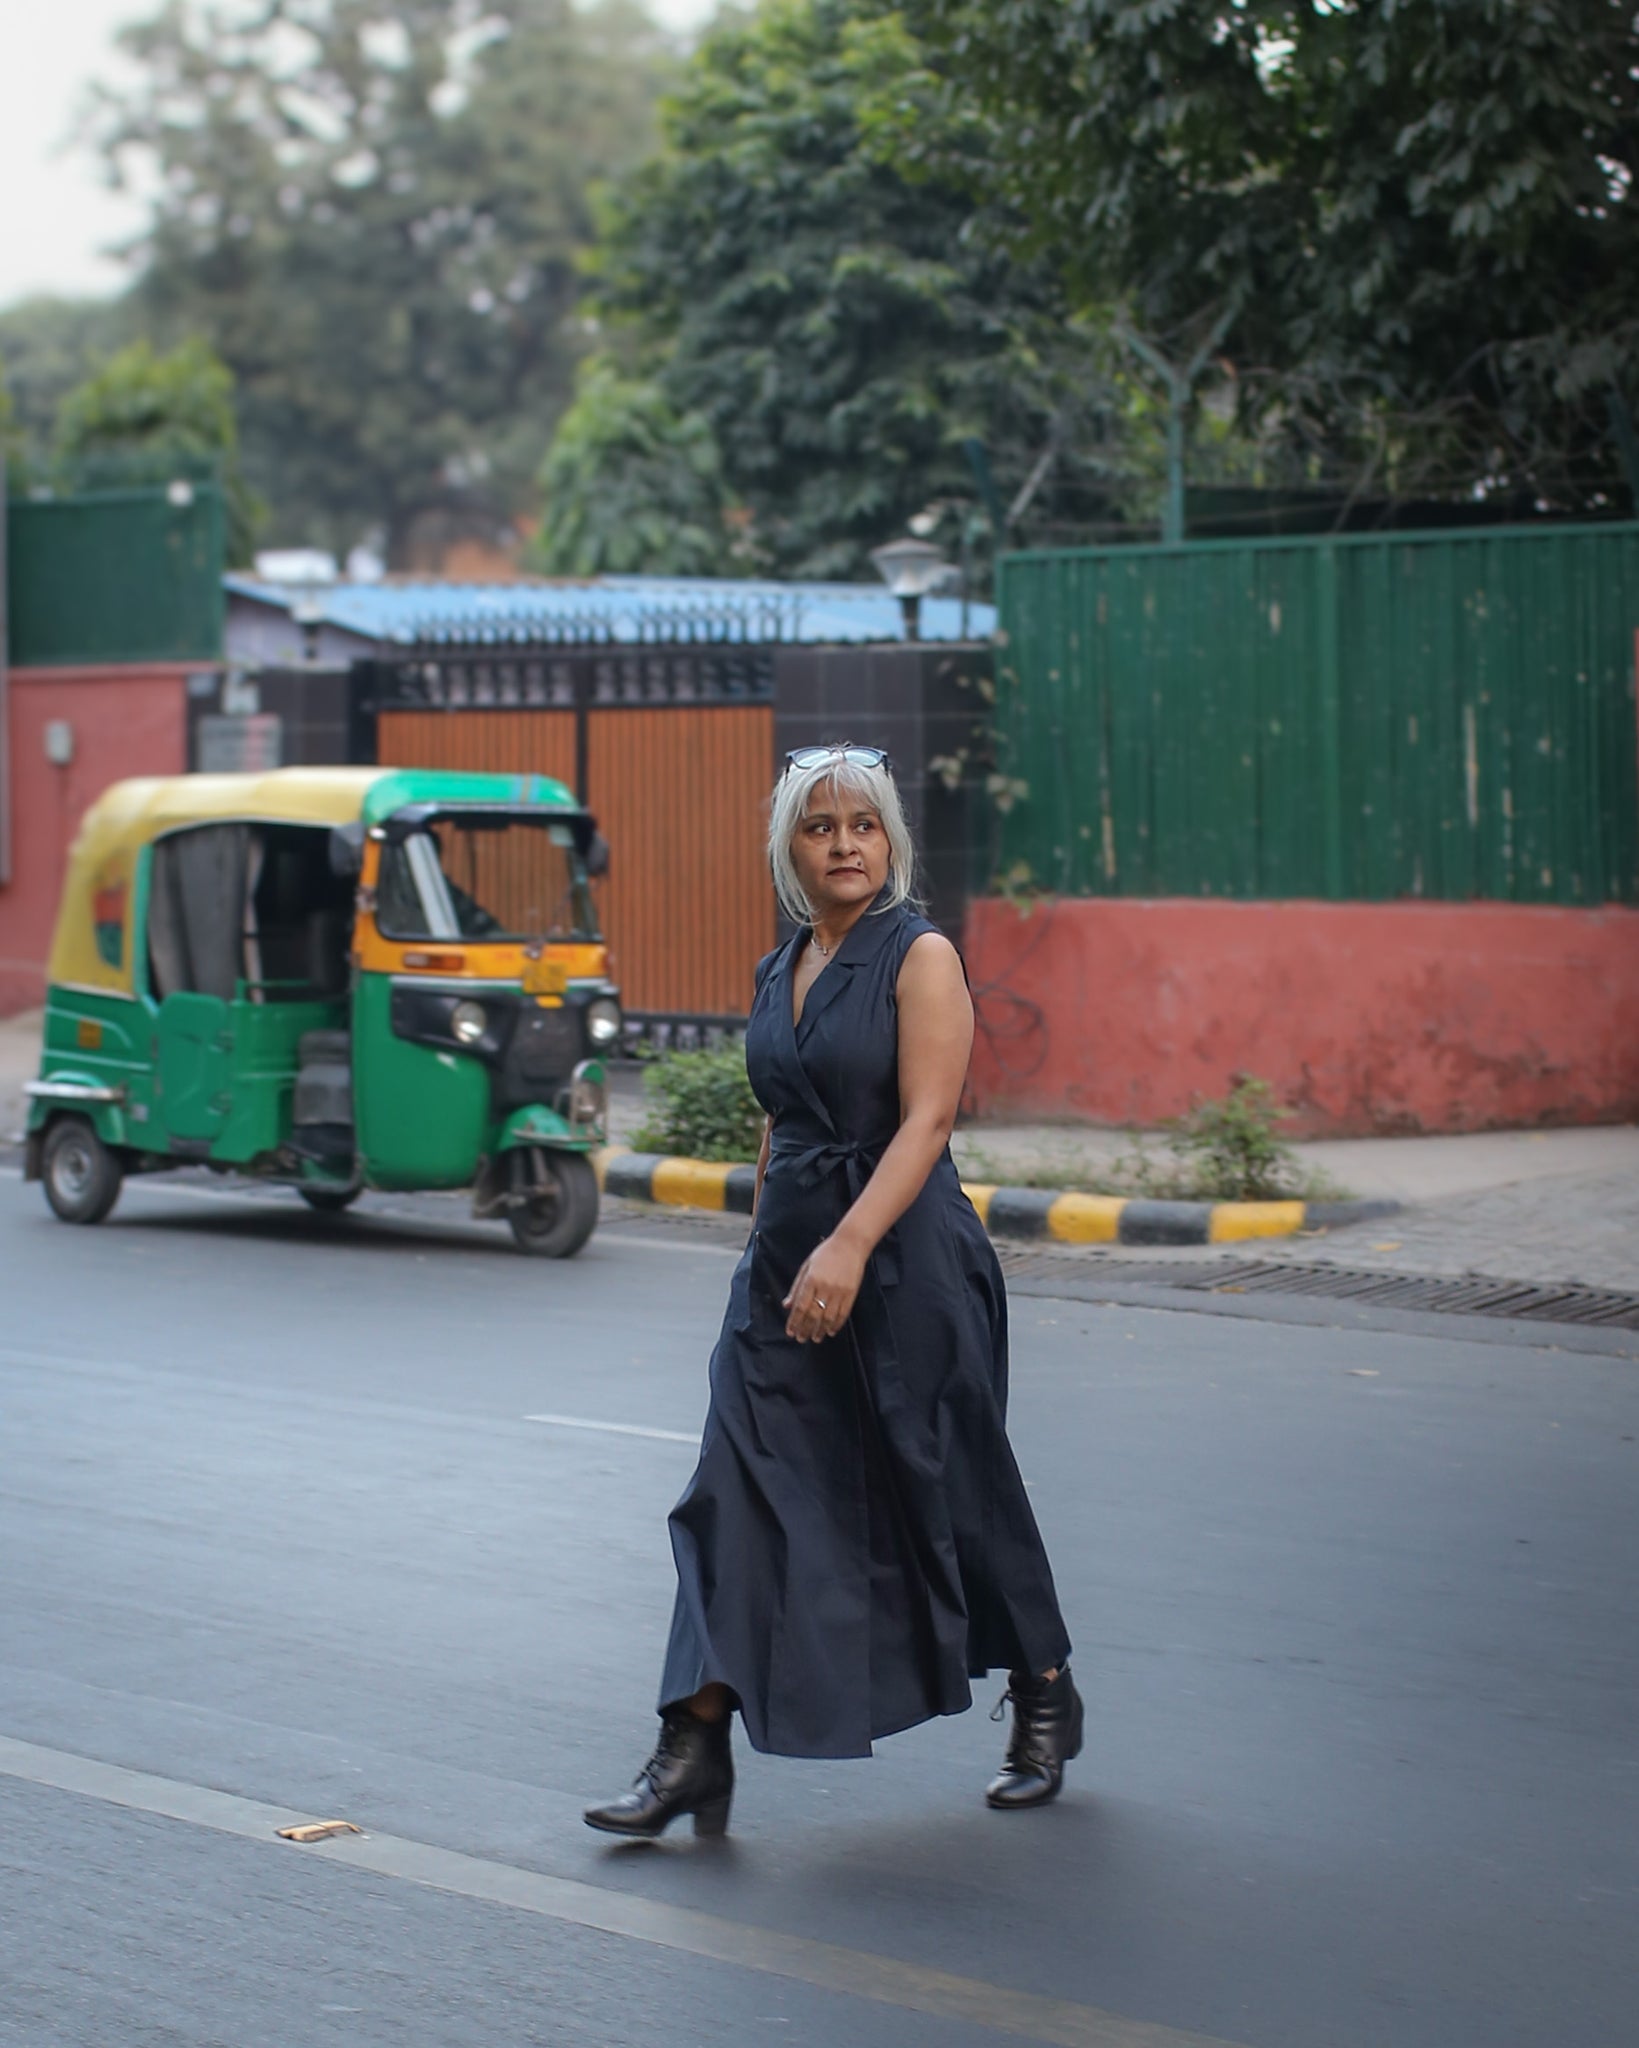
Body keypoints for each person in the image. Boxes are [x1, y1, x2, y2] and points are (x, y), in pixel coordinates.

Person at [584, 745, 1080, 1839]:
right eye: (820, 826)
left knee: (947, 1488)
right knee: (732, 1493)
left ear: (890, 838)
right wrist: (772, 1246)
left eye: (863, 823)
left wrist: (849, 1246)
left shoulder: (921, 955)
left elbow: (927, 1120)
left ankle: (1043, 1688)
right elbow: (782, 1116)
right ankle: (691, 1741)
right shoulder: (782, 969)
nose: (844, 842)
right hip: (786, 1273)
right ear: (789, 848)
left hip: (908, 1265)